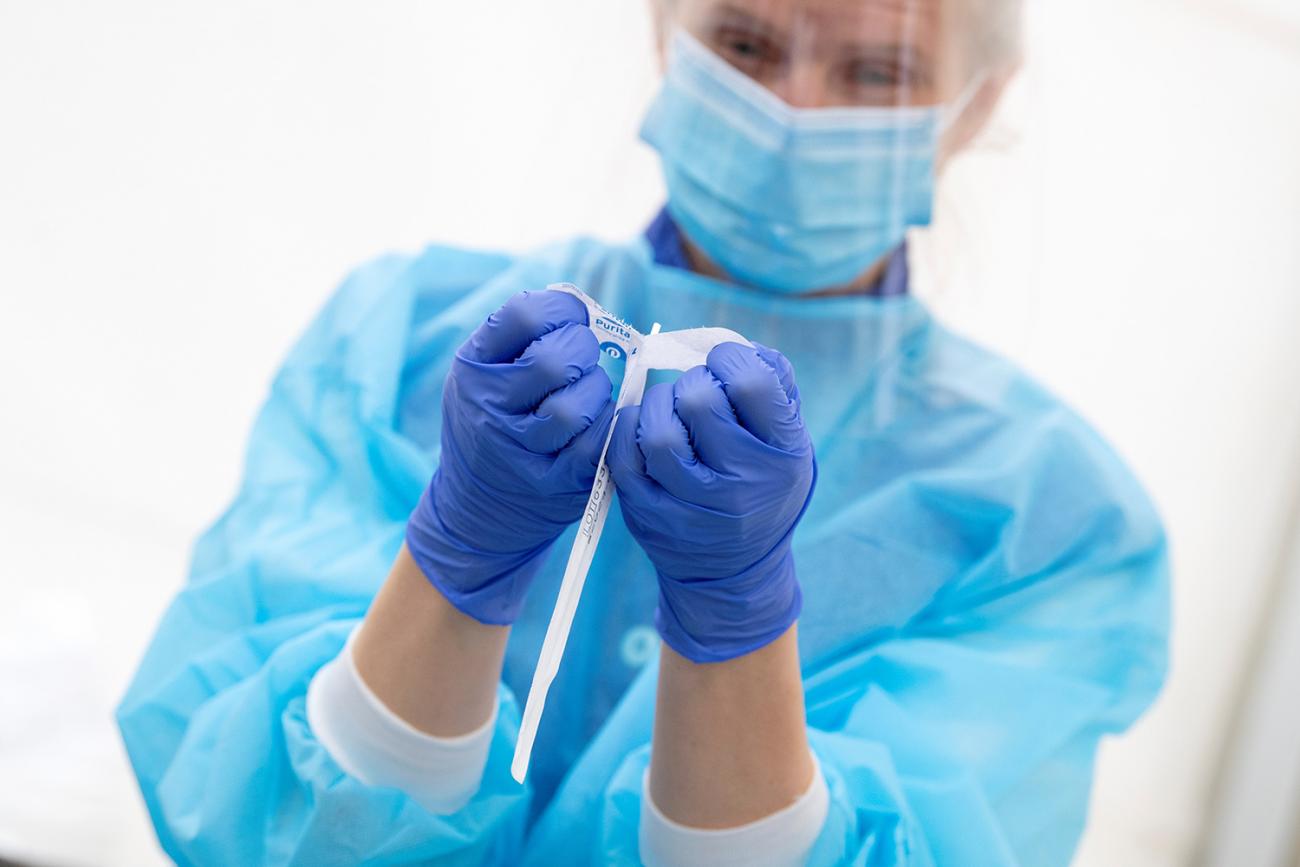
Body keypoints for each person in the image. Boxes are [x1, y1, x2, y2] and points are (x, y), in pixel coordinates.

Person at [117, 1, 1169, 864]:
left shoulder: (1045, 518)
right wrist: (458, 550)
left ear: (975, 105)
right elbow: (277, 831)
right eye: (746, 46)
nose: (790, 112)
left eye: (875, 75)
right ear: (669, 34)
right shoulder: (405, 337)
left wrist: (739, 614)